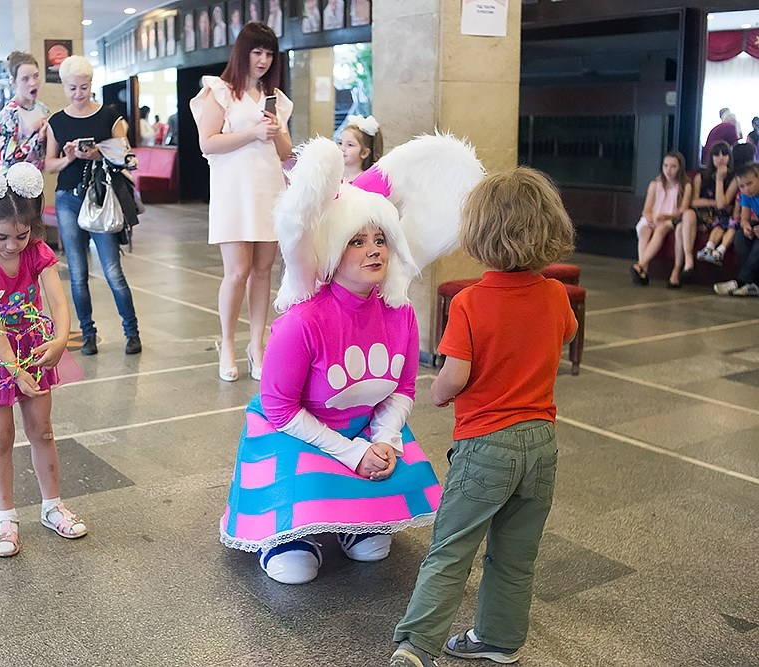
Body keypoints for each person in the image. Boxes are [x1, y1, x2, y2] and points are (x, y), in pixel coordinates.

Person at [219, 137, 443, 585]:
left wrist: (385, 441)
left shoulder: (400, 313)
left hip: (362, 428)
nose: (374, 250)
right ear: (331, 249)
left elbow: (403, 389)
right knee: (295, 568)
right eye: (357, 241)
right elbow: (279, 408)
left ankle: (351, 520)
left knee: (373, 550)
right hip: (293, 435)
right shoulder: (300, 323)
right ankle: (285, 534)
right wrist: (352, 453)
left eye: (380, 239)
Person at [390, 167, 577, 667]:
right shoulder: (555, 294)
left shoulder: (470, 302)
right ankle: (499, 638)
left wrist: (437, 393)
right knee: (515, 554)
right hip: (541, 445)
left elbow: (455, 375)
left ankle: (417, 646)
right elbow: (563, 335)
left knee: (451, 549)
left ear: (479, 234)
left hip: (486, 446)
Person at [0, 163, 86, 557]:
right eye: (2, 237)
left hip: (32, 346)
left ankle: (52, 506)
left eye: (21, 235)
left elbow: (58, 300)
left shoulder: (38, 252)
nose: (12, 245)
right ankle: (5, 517)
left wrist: (60, 339)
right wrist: (12, 370)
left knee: (42, 431)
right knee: (1, 437)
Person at [190, 22, 294, 382]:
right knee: (236, 272)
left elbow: (285, 152)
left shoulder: (275, 98)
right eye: (257, 52)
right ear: (242, 52)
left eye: (269, 54)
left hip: (269, 190)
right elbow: (207, 142)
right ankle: (228, 344)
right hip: (234, 192)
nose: (263, 60)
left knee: (263, 271)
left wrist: (274, 130)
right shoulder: (219, 91)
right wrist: (252, 132)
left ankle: (257, 346)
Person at [45, 55, 142, 356]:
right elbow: (49, 164)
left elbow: (126, 156)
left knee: (112, 269)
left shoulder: (109, 116)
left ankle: (132, 332)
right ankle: (88, 334)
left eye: (84, 87)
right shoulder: (56, 122)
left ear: (91, 84)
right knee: (77, 273)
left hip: (101, 196)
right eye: (72, 88)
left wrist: (99, 153)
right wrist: (70, 157)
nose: (78, 94)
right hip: (68, 198)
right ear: (64, 87)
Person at [628, 151, 691, 288]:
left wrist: (665, 217)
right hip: (654, 217)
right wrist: (650, 218)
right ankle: (644, 270)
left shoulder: (685, 186)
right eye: (665, 165)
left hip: (670, 219)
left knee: (661, 230)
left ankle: (640, 265)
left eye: (673, 166)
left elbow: (683, 210)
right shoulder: (655, 184)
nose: (668, 170)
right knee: (644, 230)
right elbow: (646, 209)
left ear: (680, 168)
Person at [0, 51, 50, 171]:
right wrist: (38, 136)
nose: (33, 83)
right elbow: (9, 159)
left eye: (36, 76)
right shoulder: (8, 115)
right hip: (11, 180)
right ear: (14, 82)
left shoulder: (43, 109)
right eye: (25, 79)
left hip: (35, 178)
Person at [688, 141, 738, 269]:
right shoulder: (701, 176)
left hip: (724, 216)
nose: (721, 158)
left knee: (725, 222)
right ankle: (706, 251)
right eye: (716, 155)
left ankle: (715, 251)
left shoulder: (734, 178)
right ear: (711, 157)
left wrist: (720, 179)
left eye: (724, 154)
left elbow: (722, 206)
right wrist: (713, 203)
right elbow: (694, 201)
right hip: (704, 215)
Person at [714, 161, 759, 297]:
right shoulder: (746, 195)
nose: (746, 189)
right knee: (740, 237)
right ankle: (753, 284)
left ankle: (740, 281)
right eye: (742, 186)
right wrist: (747, 228)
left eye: (749, 184)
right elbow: (744, 219)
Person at [338, 114, 383, 182]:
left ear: (364, 153)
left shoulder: (367, 181)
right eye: (340, 143)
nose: (342, 148)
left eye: (350, 145)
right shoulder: (332, 177)